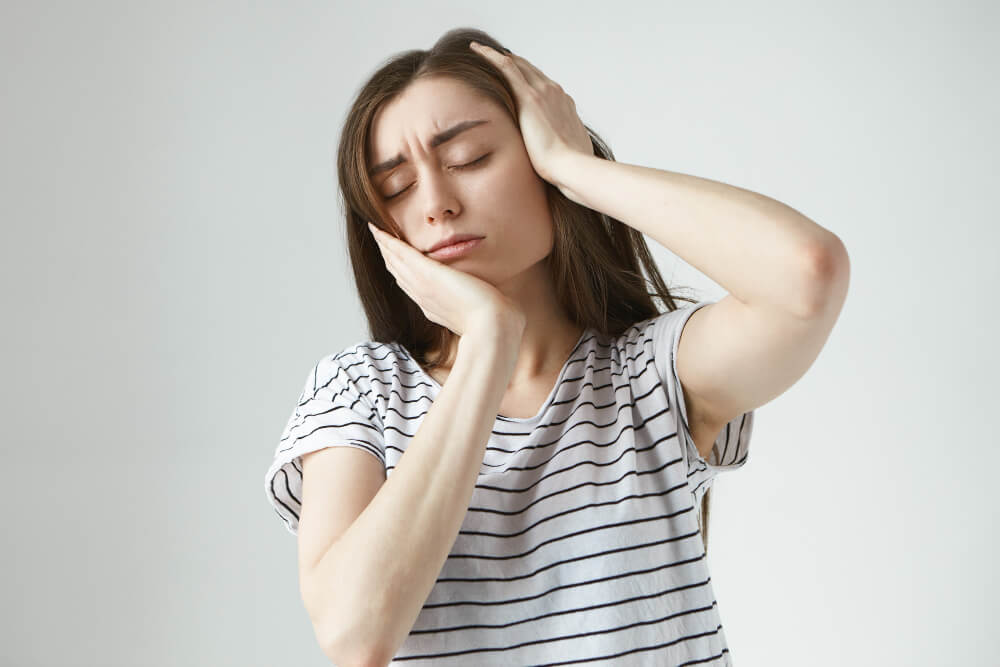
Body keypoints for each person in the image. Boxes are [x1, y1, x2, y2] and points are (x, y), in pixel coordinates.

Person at [264, 27, 849, 666]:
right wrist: (488, 341)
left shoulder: (652, 374)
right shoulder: (362, 389)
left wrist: (578, 168)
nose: (436, 204)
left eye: (469, 158)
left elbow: (807, 273)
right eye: (398, 187)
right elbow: (354, 635)